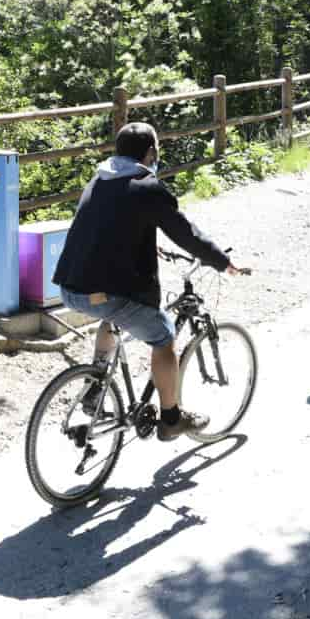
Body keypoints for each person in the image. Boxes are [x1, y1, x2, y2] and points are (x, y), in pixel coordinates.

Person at [54, 122, 248, 441]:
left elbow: (104, 223)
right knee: (163, 336)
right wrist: (221, 261)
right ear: (151, 152)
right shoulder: (147, 185)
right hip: (107, 290)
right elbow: (186, 233)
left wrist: (143, 239)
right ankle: (171, 418)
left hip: (71, 286)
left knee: (112, 319)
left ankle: (95, 386)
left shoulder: (100, 178)